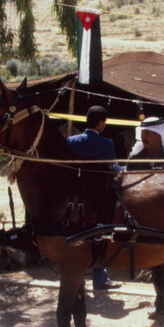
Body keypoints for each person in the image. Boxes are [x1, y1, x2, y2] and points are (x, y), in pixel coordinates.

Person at [127, 116, 164, 327]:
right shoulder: (137, 155)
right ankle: (160, 304)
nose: (144, 137)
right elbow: (127, 181)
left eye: (148, 134)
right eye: (142, 133)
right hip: (146, 217)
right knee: (154, 263)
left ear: (159, 135)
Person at [66, 105, 120, 291]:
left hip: (73, 197)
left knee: (75, 234)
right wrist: (124, 168)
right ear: (100, 123)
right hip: (98, 199)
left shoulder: (71, 141)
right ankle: (100, 277)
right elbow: (113, 169)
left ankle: (76, 274)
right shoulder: (106, 143)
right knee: (100, 235)